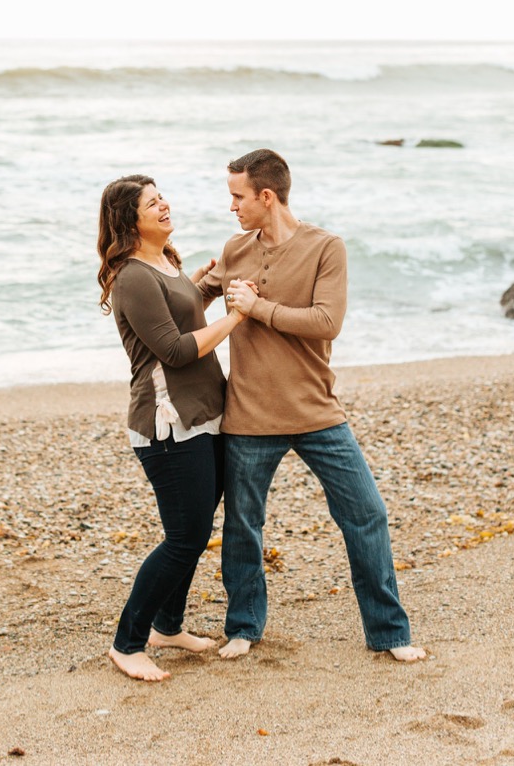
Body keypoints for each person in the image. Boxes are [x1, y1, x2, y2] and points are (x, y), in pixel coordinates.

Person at [195, 148, 426, 662]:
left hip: (318, 412)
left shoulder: (326, 247)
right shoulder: (235, 248)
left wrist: (259, 308)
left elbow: (327, 322)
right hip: (249, 416)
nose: (231, 206)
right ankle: (244, 626)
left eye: (237, 196)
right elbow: (194, 302)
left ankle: (389, 633)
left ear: (267, 196)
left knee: (367, 515)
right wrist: (182, 278)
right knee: (242, 528)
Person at [97, 175, 247, 681]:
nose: (164, 205)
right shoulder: (133, 276)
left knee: (193, 530)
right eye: (151, 202)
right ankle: (128, 642)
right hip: (167, 424)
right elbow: (177, 350)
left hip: (203, 415)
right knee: (185, 536)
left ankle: (168, 624)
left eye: (162, 197)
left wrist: (202, 285)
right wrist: (237, 319)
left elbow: (181, 318)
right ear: (128, 219)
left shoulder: (167, 263)